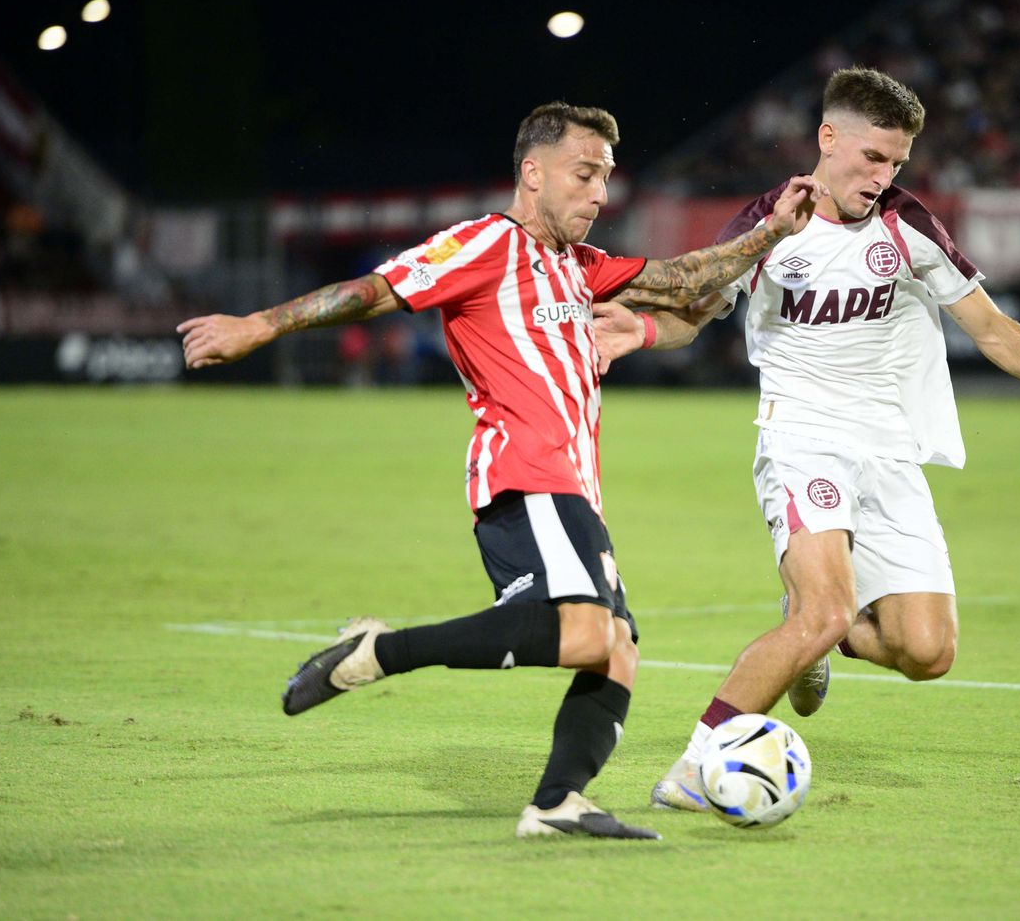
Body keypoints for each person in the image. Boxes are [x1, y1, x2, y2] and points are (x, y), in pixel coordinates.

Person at [176, 101, 826, 838]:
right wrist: (257, 326)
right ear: (532, 172)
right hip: (523, 472)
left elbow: (684, 280)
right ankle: (378, 652)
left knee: (617, 651)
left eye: (605, 179)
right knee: (587, 635)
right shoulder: (484, 243)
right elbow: (375, 290)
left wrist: (772, 232)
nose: (598, 194)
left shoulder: (582, 268)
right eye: (584, 175)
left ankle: (558, 802)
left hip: (575, 486)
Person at [590, 67, 1020, 812]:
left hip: (889, 448)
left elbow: (992, 328)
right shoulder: (771, 222)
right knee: (826, 609)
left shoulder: (907, 224)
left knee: (928, 651)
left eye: (896, 163)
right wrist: (639, 330)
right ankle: (696, 764)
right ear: (827, 139)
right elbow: (695, 313)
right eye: (873, 158)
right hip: (801, 439)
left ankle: (809, 639)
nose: (883, 175)